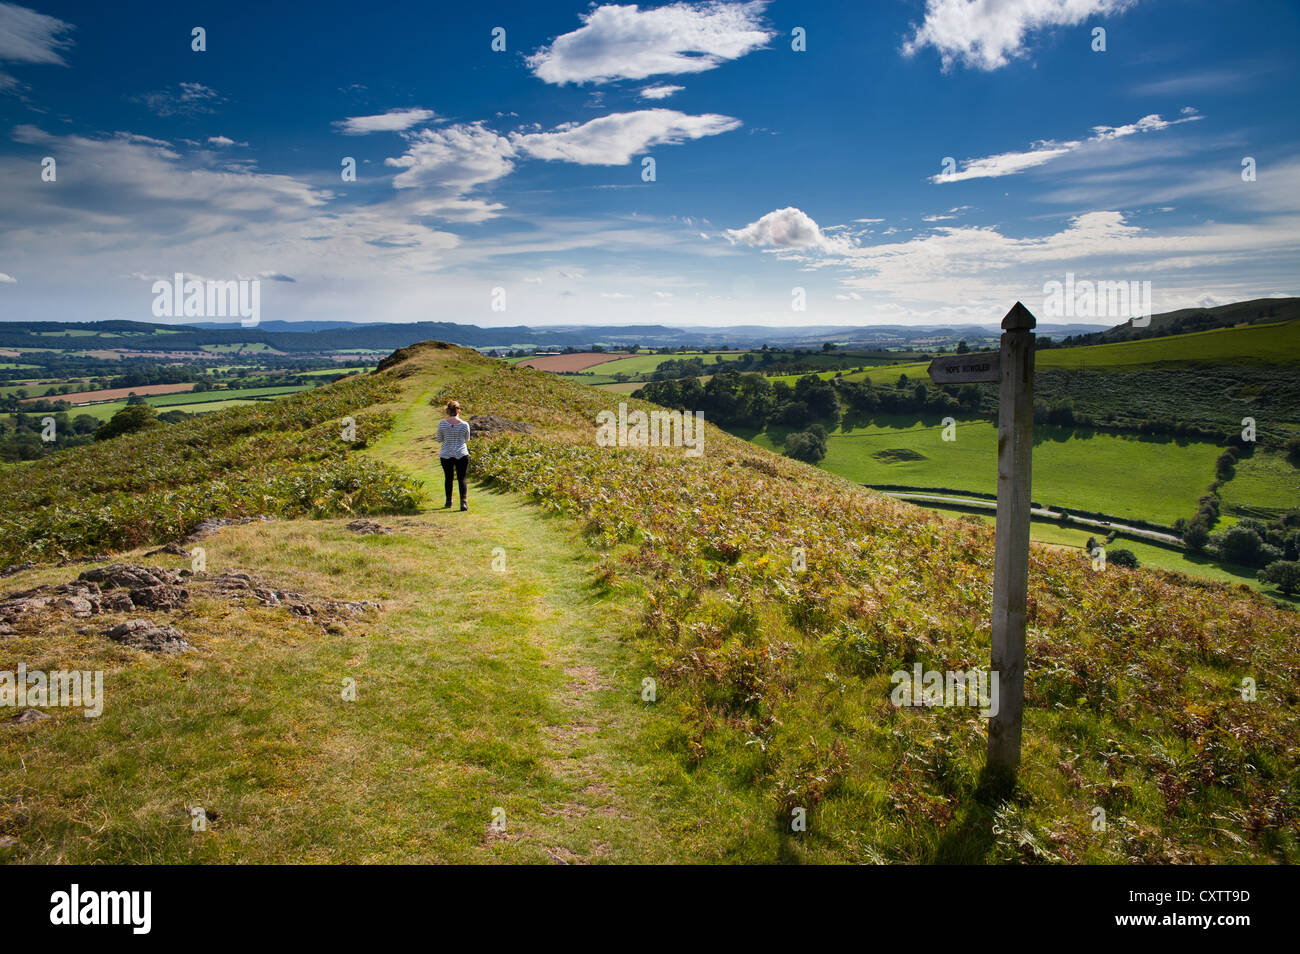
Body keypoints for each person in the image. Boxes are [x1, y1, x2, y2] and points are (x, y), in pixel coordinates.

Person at [436, 401, 470, 511]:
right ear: (458, 410)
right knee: (462, 478)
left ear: (447, 410)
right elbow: (467, 439)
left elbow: (439, 439)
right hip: (461, 453)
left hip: (446, 453)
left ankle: (448, 501)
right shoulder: (465, 424)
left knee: (448, 478)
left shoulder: (442, 424)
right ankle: (463, 502)